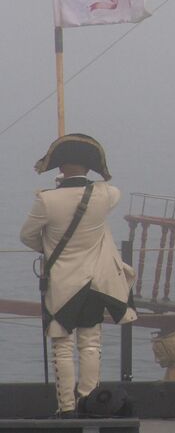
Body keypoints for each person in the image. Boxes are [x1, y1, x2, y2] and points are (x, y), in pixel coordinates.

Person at [22, 134, 136, 418]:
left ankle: (66, 407)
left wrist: (49, 247)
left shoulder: (47, 201)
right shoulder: (106, 194)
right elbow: (110, 193)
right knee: (91, 342)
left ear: (60, 167)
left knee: (62, 345)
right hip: (96, 281)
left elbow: (27, 236)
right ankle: (90, 403)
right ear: (90, 166)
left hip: (62, 282)